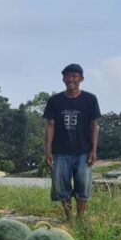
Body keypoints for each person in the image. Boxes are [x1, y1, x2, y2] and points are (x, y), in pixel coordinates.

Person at [44, 63, 101, 224]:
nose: (71, 79)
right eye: (67, 76)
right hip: (60, 151)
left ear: (81, 79)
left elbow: (94, 126)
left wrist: (93, 150)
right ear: (63, 79)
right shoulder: (55, 101)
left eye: (74, 76)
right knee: (61, 185)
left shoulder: (90, 99)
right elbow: (50, 125)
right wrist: (48, 151)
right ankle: (70, 219)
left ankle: (81, 218)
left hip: (83, 150)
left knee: (83, 184)